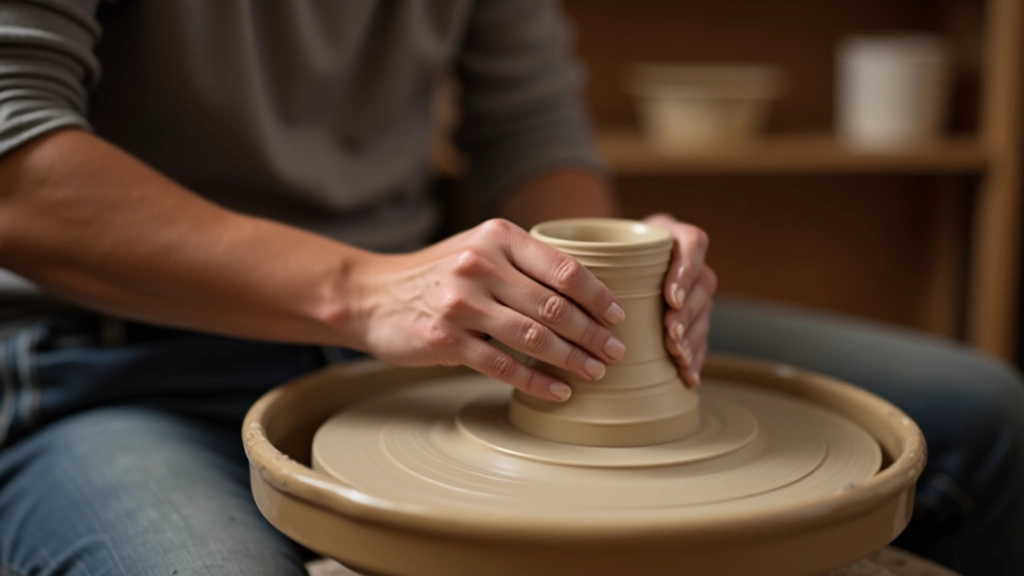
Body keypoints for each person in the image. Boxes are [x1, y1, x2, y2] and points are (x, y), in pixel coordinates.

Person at [0, 2, 1019, 575]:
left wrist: (605, 274)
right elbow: (19, 167)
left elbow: (531, 132)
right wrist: (361, 291)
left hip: (419, 330)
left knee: (987, 416)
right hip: (117, 351)